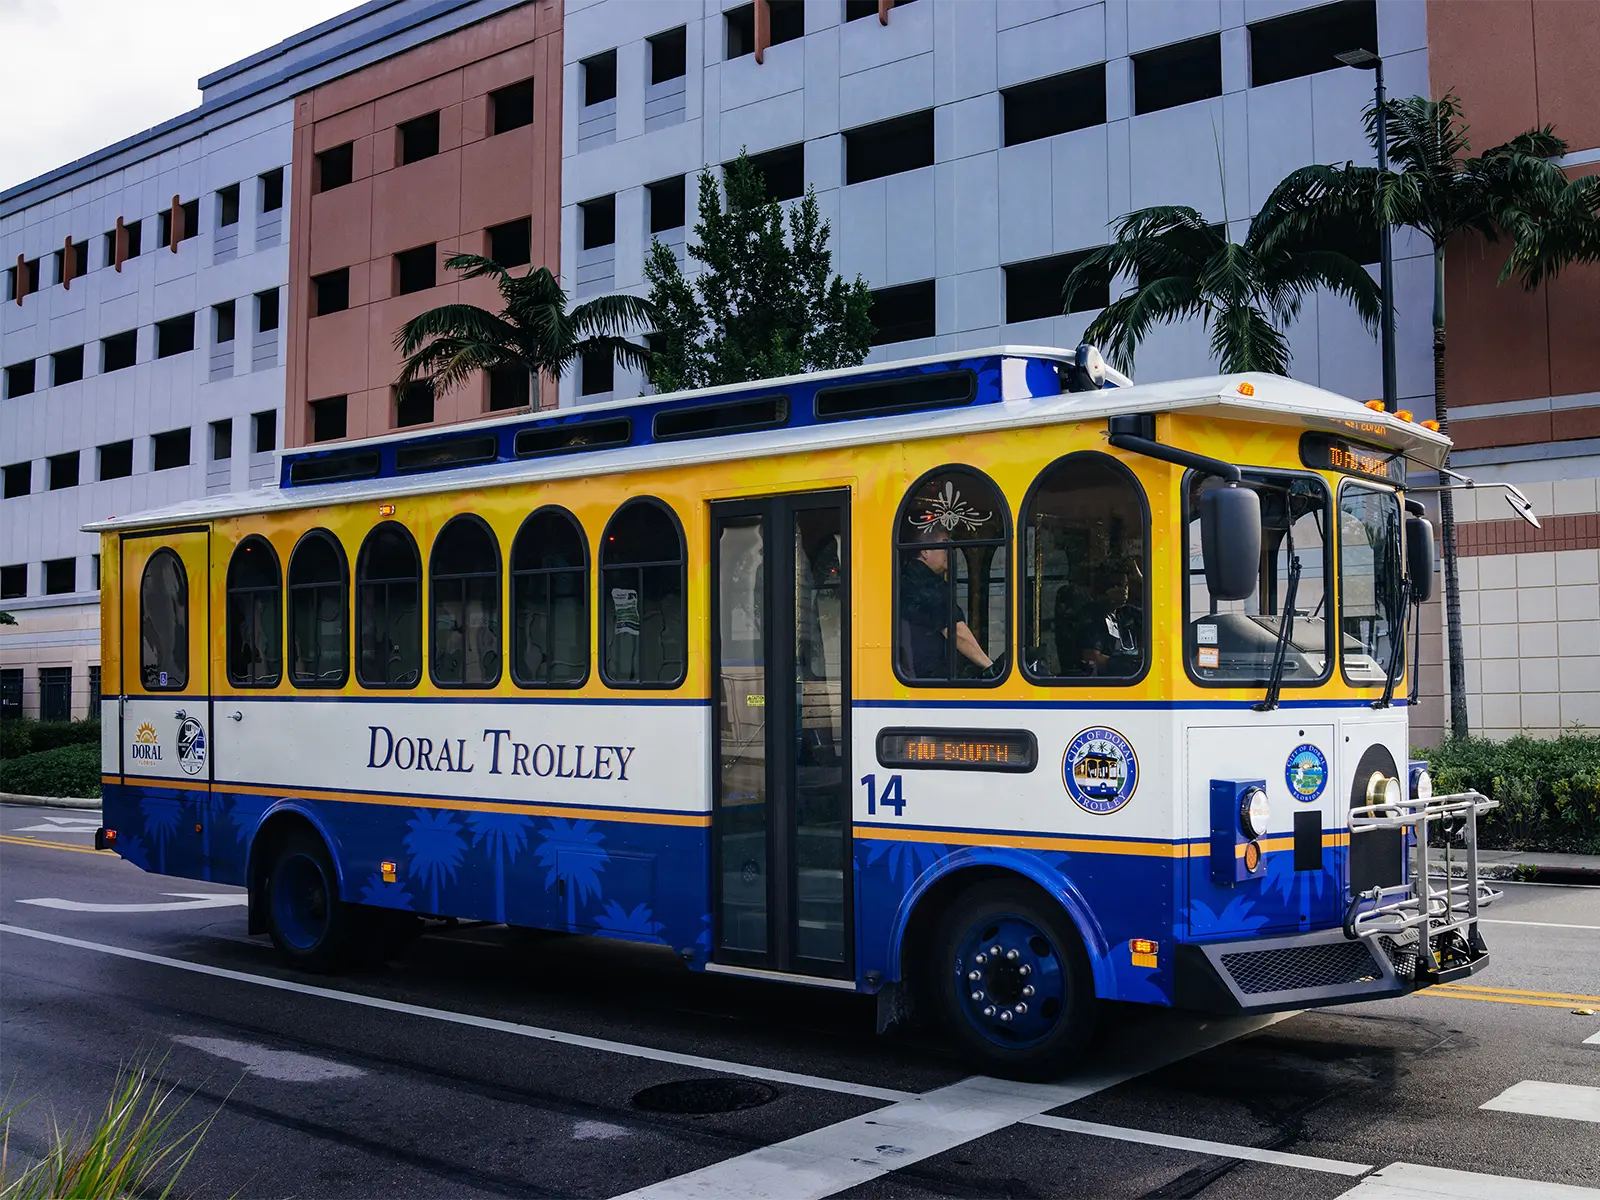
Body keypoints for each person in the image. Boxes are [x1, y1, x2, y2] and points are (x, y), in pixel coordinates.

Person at [900, 527, 994, 679]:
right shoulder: (927, 582)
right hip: (931, 677)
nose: (949, 551)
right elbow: (955, 630)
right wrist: (990, 666)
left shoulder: (906, 577)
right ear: (925, 551)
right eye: (945, 545)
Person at [1057, 561, 1141, 678]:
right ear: (1104, 589)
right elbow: (1092, 658)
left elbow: (1160, 616)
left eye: (1126, 585)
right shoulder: (1091, 614)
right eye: (1117, 586)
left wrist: (1141, 582)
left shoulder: (1127, 612)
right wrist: (1129, 666)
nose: (1124, 591)